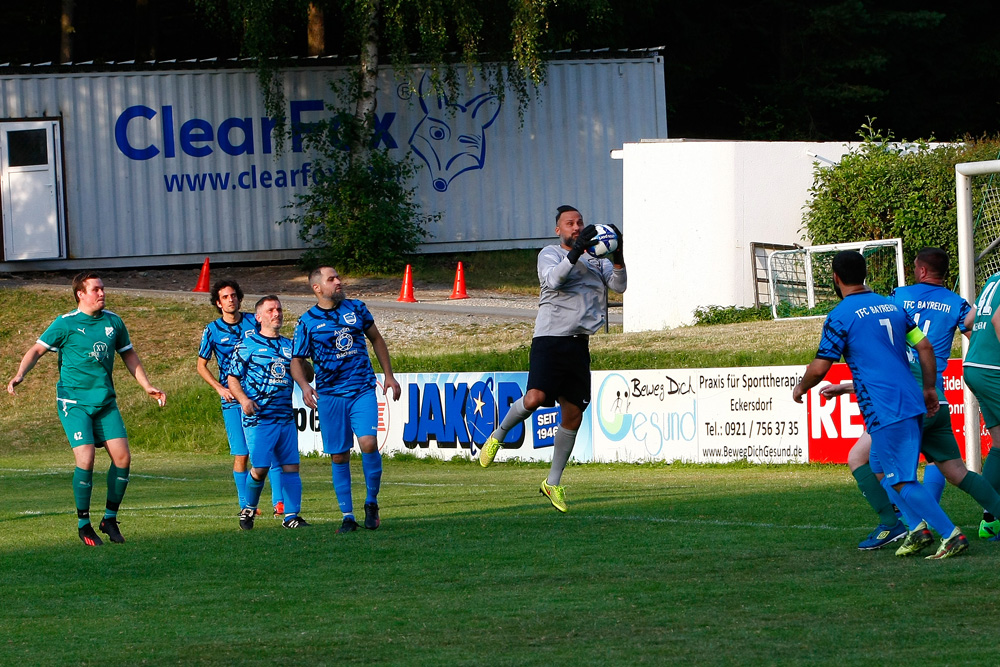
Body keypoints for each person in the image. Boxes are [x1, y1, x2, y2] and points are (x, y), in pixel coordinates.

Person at [822, 247, 1000, 555]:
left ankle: (911, 526)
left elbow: (889, 354)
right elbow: (973, 324)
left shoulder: (896, 298)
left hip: (900, 400)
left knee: (877, 464)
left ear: (919, 270)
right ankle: (930, 524)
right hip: (935, 394)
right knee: (955, 469)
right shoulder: (955, 304)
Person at [793, 250, 969, 559]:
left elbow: (821, 367)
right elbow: (924, 346)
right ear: (864, 275)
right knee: (880, 469)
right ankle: (916, 529)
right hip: (911, 399)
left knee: (901, 480)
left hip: (887, 407)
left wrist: (800, 388)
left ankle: (950, 534)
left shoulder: (841, 315)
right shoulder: (891, 306)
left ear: (835, 278)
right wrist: (929, 388)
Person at [478, 205, 626, 512]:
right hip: (549, 339)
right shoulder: (550, 254)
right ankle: (498, 435)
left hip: (578, 344)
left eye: (580, 222)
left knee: (573, 415)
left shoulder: (596, 261)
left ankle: (553, 482)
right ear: (558, 230)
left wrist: (619, 253)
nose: (576, 227)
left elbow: (620, 286)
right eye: (570, 223)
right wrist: (576, 252)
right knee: (534, 399)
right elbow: (555, 281)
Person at [7, 272, 166, 546]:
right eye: (96, 289)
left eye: (102, 289)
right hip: (74, 402)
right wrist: (21, 373)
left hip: (105, 401)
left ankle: (109, 519)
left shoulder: (113, 322)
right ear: (80, 294)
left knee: (123, 459)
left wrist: (147, 386)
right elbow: (36, 350)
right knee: (86, 458)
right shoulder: (65, 324)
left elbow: (128, 353)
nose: (102, 293)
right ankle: (84, 525)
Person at [291, 267, 401, 534]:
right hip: (329, 396)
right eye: (332, 279)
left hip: (361, 389)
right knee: (339, 456)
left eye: (339, 277)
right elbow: (296, 360)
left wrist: (389, 375)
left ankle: (371, 502)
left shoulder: (357, 308)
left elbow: (376, 339)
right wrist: (305, 386)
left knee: (368, 442)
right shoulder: (307, 322)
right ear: (317, 288)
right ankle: (347, 516)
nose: (339, 282)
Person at [197, 279, 284, 517]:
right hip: (232, 400)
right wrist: (218, 388)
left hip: (259, 396)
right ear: (218, 302)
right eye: (225, 297)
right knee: (242, 454)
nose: (230, 299)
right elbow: (201, 365)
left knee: (271, 449)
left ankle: (279, 502)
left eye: (233, 295)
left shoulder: (252, 321)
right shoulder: (212, 330)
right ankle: (247, 505)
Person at [227, 295, 308, 530]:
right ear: (259, 317)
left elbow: (306, 375)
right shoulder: (247, 345)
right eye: (271, 310)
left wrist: (302, 361)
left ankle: (291, 516)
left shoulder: (289, 345)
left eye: (279, 309)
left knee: (291, 466)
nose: (277, 313)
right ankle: (249, 508)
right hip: (260, 419)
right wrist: (243, 400)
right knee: (260, 468)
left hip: (285, 417)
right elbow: (232, 379)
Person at [962, 264, 1000, 538]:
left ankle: (990, 519)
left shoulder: (994, 278)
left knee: (999, 444)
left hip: (974, 366)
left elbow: (968, 321)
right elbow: (998, 320)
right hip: (994, 370)